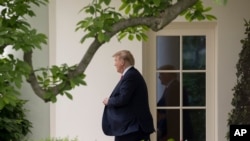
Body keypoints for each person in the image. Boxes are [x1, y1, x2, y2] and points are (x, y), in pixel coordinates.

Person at [102, 50, 155, 141]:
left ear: (122, 62)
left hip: (132, 129)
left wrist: (109, 101)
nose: (114, 64)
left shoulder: (131, 75)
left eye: (116, 60)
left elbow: (123, 98)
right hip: (130, 128)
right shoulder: (131, 74)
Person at [157, 65, 193, 141]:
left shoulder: (174, 88)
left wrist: (167, 134)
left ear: (169, 74)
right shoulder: (171, 87)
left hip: (174, 132)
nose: (159, 77)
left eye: (161, 74)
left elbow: (173, 114)